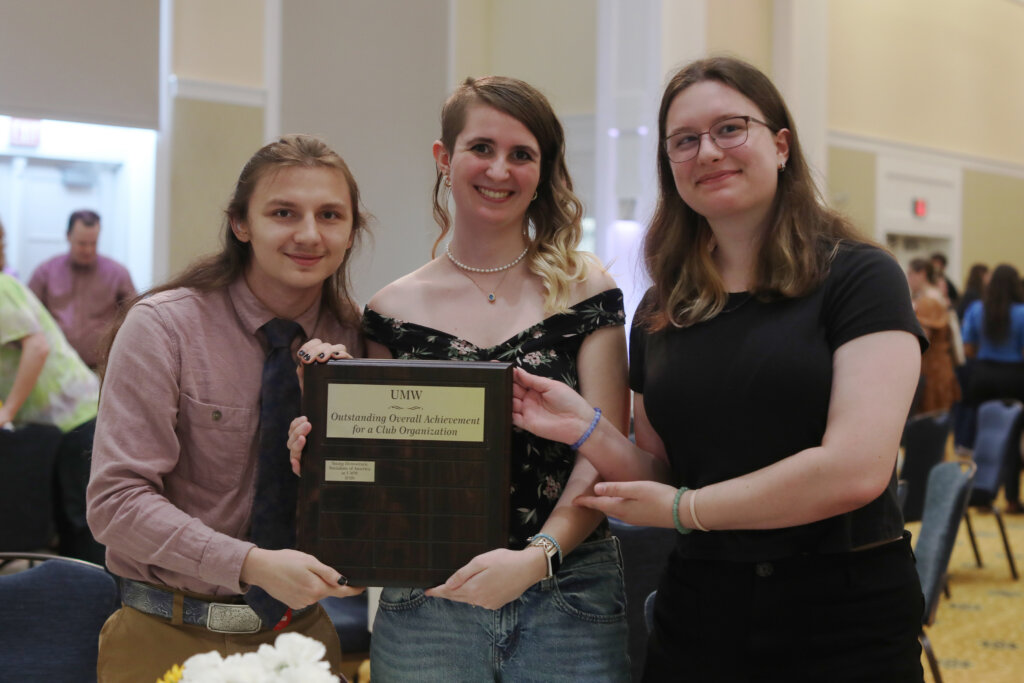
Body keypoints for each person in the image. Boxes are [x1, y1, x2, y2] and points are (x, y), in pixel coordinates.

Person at [510, 57, 927, 682]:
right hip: (704, 603)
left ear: (780, 145)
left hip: (842, 606)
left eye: (730, 128)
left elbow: (856, 469)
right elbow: (661, 469)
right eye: (685, 140)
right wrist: (586, 429)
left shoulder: (861, 277)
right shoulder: (664, 306)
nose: (708, 152)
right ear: (670, 164)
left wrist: (687, 510)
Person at [291, 76, 631, 681]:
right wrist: (321, 450)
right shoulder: (390, 311)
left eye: (521, 154)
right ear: (444, 160)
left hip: (569, 589)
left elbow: (603, 453)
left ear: (541, 171)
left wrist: (536, 559)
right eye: (481, 148)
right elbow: (383, 471)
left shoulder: (587, 288)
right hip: (428, 599)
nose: (499, 169)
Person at [85, 135, 367, 682]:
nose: (309, 234)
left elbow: (380, 499)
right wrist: (249, 563)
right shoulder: (163, 327)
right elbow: (116, 504)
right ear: (241, 223)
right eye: (283, 212)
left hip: (303, 640)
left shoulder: (357, 341)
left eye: (330, 215)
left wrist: (362, 556)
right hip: (165, 635)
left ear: (351, 230)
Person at [0, 215, 103, 563]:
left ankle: (99, 610)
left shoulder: (1, 287)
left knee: (81, 523)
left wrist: (7, 411)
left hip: (76, 416)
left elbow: (37, 347)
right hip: (54, 424)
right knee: (63, 521)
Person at [28, 209, 136, 368]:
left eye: (93, 243)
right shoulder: (45, 272)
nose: (88, 250)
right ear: (68, 236)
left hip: (101, 367)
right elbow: (27, 317)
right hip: (54, 367)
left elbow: (135, 317)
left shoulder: (118, 274)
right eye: (82, 243)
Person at [961, 263, 1024, 513]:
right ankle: (1011, 498)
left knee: (983, 435)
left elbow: (968, 347)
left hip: (983, 374)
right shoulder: (1021, 312)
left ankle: (981, 496)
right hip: (1013, 376)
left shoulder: (977, 309)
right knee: (1012, 438)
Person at [907, 258, 961, 414]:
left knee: (929, 420)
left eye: (910, 274)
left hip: (932, 370)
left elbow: (922, 339)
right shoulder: (935, 296)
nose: (908, 279)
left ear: (922, 274)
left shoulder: (928, 301)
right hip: (938, 367)